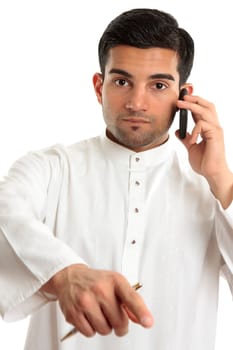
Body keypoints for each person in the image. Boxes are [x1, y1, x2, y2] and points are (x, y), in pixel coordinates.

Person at [0, 7, 232, 350]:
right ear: (99, 86)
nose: (137, 103)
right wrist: (65, 275)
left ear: (184, 95)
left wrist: (222, 181)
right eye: (122, 82)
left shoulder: (212, 189)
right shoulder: (51, 168)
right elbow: (7, 213)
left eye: (158, 85)